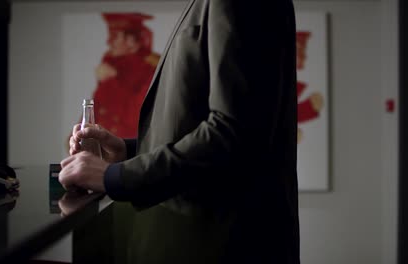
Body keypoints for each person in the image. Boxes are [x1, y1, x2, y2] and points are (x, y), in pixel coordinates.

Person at [60, 0, 299, 263]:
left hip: (224, 245)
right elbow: (205, 125)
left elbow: (234, 133)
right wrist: (129, 152)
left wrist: (116, 176)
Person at [93, 13, 160, 138]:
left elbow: (134, 116)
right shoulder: (112, 63)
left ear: (131, 41)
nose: (108, 42)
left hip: (130, 148)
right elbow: (99, 107)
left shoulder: (152, 68)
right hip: (105, 145)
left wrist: (110, 81)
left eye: (114, 36)